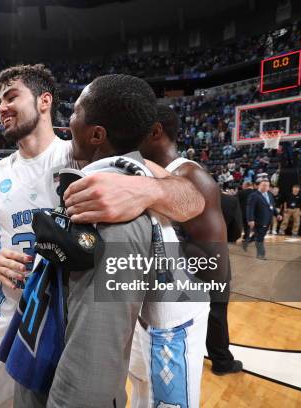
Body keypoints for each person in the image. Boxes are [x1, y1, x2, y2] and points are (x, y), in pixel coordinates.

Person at [0, 64, 204, 408]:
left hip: (68, 319)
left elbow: (190, 197)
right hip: (12, 310)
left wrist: (145, 191)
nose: (1, 108)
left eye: (11, 97)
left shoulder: (79, 153)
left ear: (44, 101)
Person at [127, 104, 233, 408]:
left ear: (155, 131)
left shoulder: (192, 177)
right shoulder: (140, 173)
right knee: (140, 390)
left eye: (135, 129)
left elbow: (215, 265)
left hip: (175, 319)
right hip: (142, 311)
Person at [245, 179, 281, 260]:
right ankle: (260, 255)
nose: (265, 187)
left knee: (260, 235)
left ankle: (248, 241)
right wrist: (250, 220)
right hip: (258, 221)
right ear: (259, 185)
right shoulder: (254, 195)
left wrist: (277, 214)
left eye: (267, 185)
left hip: (268, 220)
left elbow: (272, 206)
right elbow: (250, 208)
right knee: (260, 237)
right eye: (263, 185)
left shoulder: (270, 194)